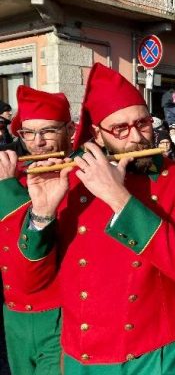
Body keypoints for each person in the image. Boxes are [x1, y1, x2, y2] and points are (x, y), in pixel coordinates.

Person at [18, 63, 175, 373]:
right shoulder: (70, 180)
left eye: (143, 123)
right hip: (82, 358)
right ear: (98, 133)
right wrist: (42, 212)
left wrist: (118, 197)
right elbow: (32, 284)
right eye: (120, 128)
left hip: (153, 356)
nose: (136, 137)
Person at [0, 86, 75, 374]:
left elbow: (27, 247)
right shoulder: (14, 174)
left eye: (48, 131)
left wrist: (7, 189)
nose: (38, 142)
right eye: (28, 133)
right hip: (13, 314)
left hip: (58, 312)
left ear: (69, 129)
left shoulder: (80, 176)